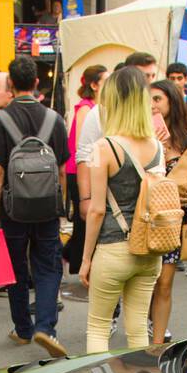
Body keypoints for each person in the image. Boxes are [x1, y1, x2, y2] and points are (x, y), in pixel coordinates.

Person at [0, 55, 69, 357]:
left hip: (13, 209)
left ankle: (23, 328)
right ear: (36, 83)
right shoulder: (55, 120)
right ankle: (46, 327)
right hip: (47, 208)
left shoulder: (1, 120)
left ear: (11, 84)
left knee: (16, 267)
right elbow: (60, 171)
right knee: (47, 267)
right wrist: (62, 209)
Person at [80, 67, 165, 352]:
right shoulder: (157, 146)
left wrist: (85, 259)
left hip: (112, 248)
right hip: (150, 249)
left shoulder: (104, 147)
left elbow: (96, 210)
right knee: (138, 328)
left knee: (98, 327)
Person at [149, 79, 187, 343]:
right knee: (146, 283)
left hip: (173, 222)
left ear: (172, 103)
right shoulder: (142, 135)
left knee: (165, 283)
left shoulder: (186, 137)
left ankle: (156, 344)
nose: (153, 105)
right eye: (150, 100)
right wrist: (157, 148)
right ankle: (144, 325)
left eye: (158, 99)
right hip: (146, 219)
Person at [65, 64, 107, 276]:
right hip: (80, 171)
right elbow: (84, 147)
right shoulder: (86, 108)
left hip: (90, 169)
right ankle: (81, 263)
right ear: (94, 85)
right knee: (85, 220)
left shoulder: (96, 108)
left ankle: (76, 259)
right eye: (105, 81)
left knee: (86, 221)